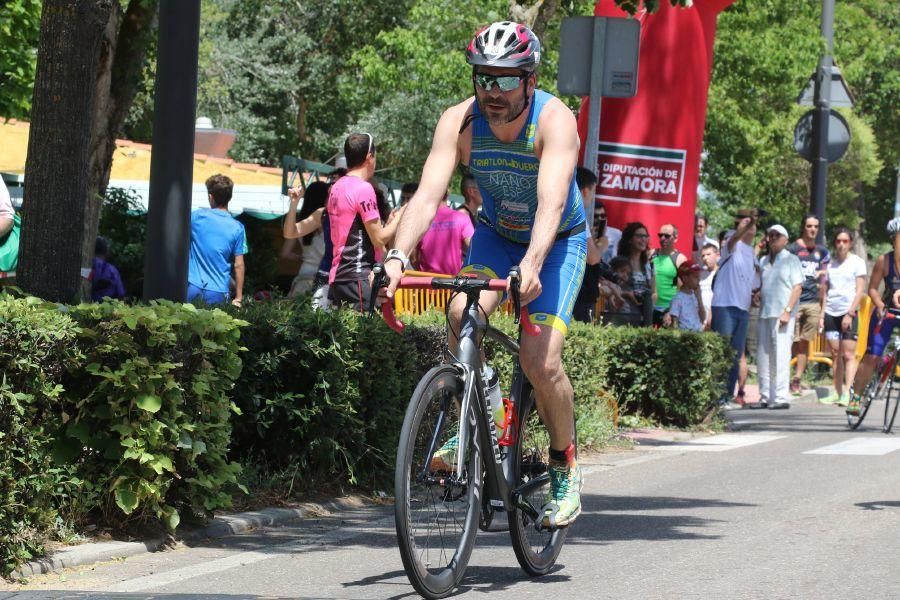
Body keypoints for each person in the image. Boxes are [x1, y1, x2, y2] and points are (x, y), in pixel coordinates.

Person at [382, 22, 586, 529]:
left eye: (505, 80)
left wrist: (533, 265)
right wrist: (396, 258)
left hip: (556, 242)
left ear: (530, 80)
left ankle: (565, 469)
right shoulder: (460, 121)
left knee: (541, 361)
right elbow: (427, 196)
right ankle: (476, 413)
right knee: (459, 311)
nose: (492, 93)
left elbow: (551, 203)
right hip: (496, 237)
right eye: (484, 79)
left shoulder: (554, 121)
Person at [327, 133, 404, 311]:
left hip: (338, 277)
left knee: (344, 337)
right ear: (369, 157)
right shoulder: (364, 188)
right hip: (358, 276)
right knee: (367, 337)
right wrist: (401, 216)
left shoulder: (336, 187)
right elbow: (379, 239)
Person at [848, 218, 900, 415]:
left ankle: (888, 363)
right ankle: (856, 397)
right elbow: (872, 289)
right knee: (872, 357)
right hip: (886, 313)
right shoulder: (884, 261)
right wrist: (879, 305)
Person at [711, 210, 759, 407]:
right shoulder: (731, 242)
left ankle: (726, 396)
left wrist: (757, 294)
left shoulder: (752, 252)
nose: (751, 226)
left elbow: (755, 281)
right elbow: (735, 238)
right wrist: (746, 223)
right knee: (722, 353)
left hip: (742, 309)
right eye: (746, 223)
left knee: (734, 355)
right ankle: (715, 395)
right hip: (724, 306)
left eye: (753, 224)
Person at [755, 224, 803, 409]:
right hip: (765, 313)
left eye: (777, 235)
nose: (773, 237)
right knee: (763, 356)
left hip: (783, 314)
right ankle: (765, 396)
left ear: (786, 240)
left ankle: (782, 397)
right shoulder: (763, 260)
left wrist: (788, 310)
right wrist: (758, 294)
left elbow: (797, 287)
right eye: (770, 234)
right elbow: (761, 284)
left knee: (781, 356)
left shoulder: (792, 260)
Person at [819, 227, 866, 406]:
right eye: (838, 241)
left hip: (848, 313)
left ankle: (848, 392)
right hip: (831, 312)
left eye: (845, 241)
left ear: (850, 243)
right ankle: (837, 392)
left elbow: (860, 290)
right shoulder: (830, 264)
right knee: (835, 353)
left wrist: (850, 313)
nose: (841, 244)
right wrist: (823, 316)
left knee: (848, 354)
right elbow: (826, 292)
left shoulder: (857, 262)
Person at [187, 174, 247, 306]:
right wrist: (238, 297)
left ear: (210, 197)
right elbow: (239, 265)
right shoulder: (238, 228)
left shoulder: (196, 217)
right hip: (218, 292)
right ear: (229, 198)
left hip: (192, 286)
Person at [788, 214, 830, 394]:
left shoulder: (823, 252)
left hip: (813, 303)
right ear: (803, 227)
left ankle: (796, 379)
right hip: (795, 301)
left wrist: (822, 312)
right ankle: (783, 377)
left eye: (815, 226)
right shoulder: (793, 249)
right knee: (790, 342)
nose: (812, 230)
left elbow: (825, 284)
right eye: (809, 226)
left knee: (804, 344)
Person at [283, 181, 328, 297]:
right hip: (323, 276)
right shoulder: (326, 220)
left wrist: (303, 257)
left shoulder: (302, 222)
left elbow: (285, 253)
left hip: (303, 274)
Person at [415, 194, 474, 275]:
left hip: (426, 283)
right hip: (451, 283)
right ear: (448, 193)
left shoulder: (420, 220)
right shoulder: (462, 218)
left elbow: (413, 257)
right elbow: (473, 247)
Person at [617, 222, 655, 326]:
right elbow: (610, 290)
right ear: (629, 239)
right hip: (624, 315)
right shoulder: (618, 262)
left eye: (645, 236)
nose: (643, 239)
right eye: (639, 236)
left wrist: (648, 302)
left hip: (644, 318)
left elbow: (654, 292)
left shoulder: (649, 265)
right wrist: (627, 294)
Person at [651, 223, 687, 325]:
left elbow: (684, 289)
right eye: (660, 235)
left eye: (667, 236)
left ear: (675, 239)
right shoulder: (651, 254)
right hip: (650, 308)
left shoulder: (680, 259)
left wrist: (672, 311)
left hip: (668, 310)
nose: (663, 238)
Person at [667, 259, 705, 331]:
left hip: (698, 334)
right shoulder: (677, 298)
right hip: (686, 336)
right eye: (695, 277)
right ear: (685, 278)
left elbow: (702, 319)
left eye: (699, 276)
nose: (699, 279)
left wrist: (699, 299)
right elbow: (674, 322)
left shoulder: (695, 296)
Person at [90, 236, 126, 301]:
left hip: (86, 307)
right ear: (106, 251)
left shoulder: (85, 269)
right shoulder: (112, 270)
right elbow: (120, 294)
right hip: (108, 308)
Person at [698, 242, 719, 330]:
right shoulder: (700, 273)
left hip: (714, 317)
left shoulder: (721, 273)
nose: (705, 258)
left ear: (717, 255)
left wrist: (711, 316)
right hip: (700, 318)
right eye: (703, 256)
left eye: (708, 254)